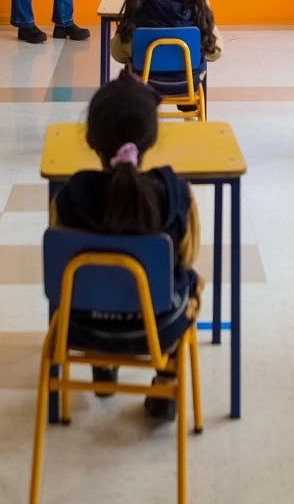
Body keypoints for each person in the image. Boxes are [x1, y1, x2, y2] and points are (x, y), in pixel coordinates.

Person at [49, 72, 202, 421]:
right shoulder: (173, 192)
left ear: (91, 139)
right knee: (193, 282)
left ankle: (101, 366)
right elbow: (187, 256)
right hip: (159, 324)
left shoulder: (70, 194)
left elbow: (61, 261)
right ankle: (165, 383)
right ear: (152, 138)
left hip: (81, 324)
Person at [111, 0, 222, 102]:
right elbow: (214, 52)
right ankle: (188, 107)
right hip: (188, 83)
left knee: (129, 69)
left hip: (145, 83)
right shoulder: (198, 8)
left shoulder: (138, 8)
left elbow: (118, 53)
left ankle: (140, 113)